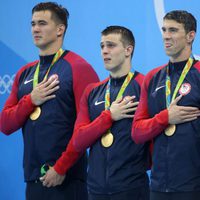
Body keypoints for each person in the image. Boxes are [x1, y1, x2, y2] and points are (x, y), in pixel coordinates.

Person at [0, 2, 99, 200]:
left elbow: (89, 128)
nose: (35, 29)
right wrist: (31, 100)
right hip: (34, 181)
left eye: (42, 23)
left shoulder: (79, 68)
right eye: (33, 24)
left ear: (60, 29)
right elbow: (5, 124)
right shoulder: (24, 73)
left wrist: (62, 168)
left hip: (68, 180)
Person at [62, 25, 149, 200]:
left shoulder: (144, 85)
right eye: (102, 46)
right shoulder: (92, 92)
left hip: (132, 188)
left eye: (110, 45)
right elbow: (78, 140)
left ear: (128, 50)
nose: (104, 51)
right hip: (96, 190)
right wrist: (109, 116)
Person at [132, 10, 200, 200]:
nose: (166, 36)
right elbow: (137, 132)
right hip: (159, 185)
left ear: (190, 36)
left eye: (173, 30)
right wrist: (165, 118)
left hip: (193, 184)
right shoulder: (153, 77)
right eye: (164, 30)